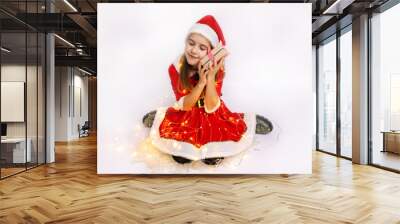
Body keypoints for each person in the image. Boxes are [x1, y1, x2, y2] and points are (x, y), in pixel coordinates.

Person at [143, 15, 273, 166]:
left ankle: (251, 121)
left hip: (210, 112)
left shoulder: (217, 70)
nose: (194, 50)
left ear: (211, 53)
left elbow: (211, 107)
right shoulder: (175, 68)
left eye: (202, 48)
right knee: (180, 153)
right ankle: (160, 116)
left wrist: (210, 78)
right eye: (191, 43)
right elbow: (185, 105)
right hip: (187, 111)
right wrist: (200, 83)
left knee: (216, 149)